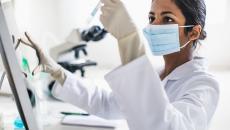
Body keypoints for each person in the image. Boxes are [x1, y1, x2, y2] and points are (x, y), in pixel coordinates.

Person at [20, 0, 219, 129]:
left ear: (193, 32)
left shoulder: (204, 85)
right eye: (152, 18)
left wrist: (129, 40)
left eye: (167, 19)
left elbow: (167, 126)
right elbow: (106, 103)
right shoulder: (160, 73)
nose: (154, 26)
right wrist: (57, 72)